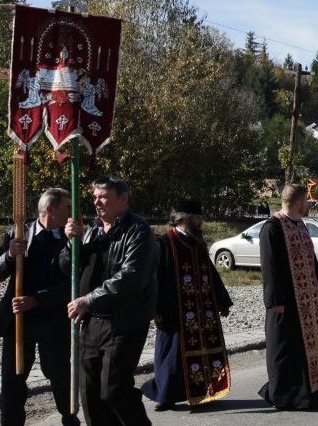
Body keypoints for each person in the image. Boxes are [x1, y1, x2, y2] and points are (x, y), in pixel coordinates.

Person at [65, 176, 157, 425]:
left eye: (103, 196)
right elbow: (66, 268)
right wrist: (70, 242)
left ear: (123, 199)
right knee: (90, 393)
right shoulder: (91, 232)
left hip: (124, 321)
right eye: (94, 197)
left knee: (114, 390)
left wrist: (88, 300)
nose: (97, 202)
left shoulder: (139, 231)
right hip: (92, 321)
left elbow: (131, 277)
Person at [0, 188, 79, 426]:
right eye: (67, 207)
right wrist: (9, 256)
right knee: (13, 382)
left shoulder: (70, 240)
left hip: (53, 321)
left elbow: (73, 283)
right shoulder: (18, 233)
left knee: (60, 376)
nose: (72, 214)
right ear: (51, 209)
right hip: (19, 321)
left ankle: (69, 418)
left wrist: (38, 299)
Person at [142, 200, 233, 411]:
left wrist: (222, 301)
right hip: (173, 312)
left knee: (201, 356)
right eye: (198, 218)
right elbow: (154, 279)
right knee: (171, 357)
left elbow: (212, 275)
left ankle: (202, 392)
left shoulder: (198, 243)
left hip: (203, 313)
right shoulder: (165, 243)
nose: (201, 222)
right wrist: (155, 310)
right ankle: (165, 396)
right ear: (185, 219)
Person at [258, 185, 318, 410]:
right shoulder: (272, 227)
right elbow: (270, 268)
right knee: (284, 351)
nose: (308, 205)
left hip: (307, 302)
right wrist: (275, 302)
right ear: (299, 202)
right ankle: (285, 396)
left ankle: (307, 394)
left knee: (304, 350)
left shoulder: (301, 225)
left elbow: (311, 262)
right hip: (285, 303)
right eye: (306, 201)